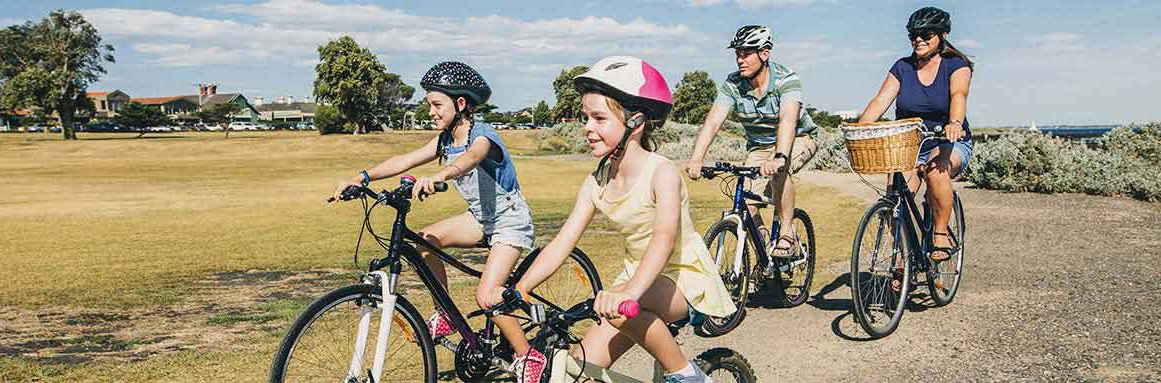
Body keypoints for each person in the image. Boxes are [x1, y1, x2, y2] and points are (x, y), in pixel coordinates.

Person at [511, 56, 736, 383]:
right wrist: (522, 287)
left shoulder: (661, 173)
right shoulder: (596, 182)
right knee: (578, 368)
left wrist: (629, 291)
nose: (588, 127)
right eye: (586, 117)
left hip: (682, 279)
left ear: (637, 121)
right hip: (631, 284)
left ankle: (688, 375)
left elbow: (663, 240)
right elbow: (562, 242)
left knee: (617, 308)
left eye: (599, 118)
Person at [328, 61, 543, 379]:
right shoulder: (444, 140)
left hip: (509, 223)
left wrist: (440, 174)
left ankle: (530, 357)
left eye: (436, 104)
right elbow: (406, 159)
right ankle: (444, 314)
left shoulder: (482, 135)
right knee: (426, 239)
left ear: (460, 104)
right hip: (480, 219)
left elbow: (471, 159)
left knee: (486, 296)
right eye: (429, 103)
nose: (430, 110)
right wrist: (362, 177)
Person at [854, 6, 975, 289]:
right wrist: (860, 128)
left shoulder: (956, 66)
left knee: (936, 172)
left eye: (926, 34)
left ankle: (941, 234)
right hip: (909, 143)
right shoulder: (902, 67)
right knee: (896, 195)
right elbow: (880, 100)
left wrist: (954, 122)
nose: (918, 39)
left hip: (947, 139)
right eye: (913, 35)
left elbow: (959, 94)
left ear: (942, 36)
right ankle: (903, 260)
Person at [686, 25, 818, 257]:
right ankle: (763, 244)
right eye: (737, 53)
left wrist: (780, 156)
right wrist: (697, 158)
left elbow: (788, 120)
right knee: (744, 195)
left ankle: (786, 232)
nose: (740, 59)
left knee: (780, 171)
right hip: (758, 147)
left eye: (746, 53)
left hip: (798, 138)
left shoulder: (785, 79)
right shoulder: (733, 84)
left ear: (764, 54)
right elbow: (713, 122)